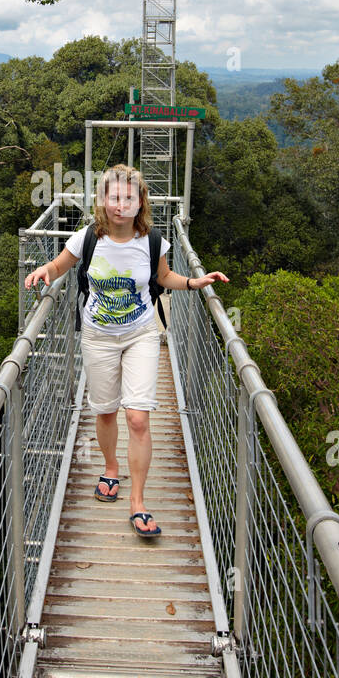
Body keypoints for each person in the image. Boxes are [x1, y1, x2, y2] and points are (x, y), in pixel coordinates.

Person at [24, 164, 229, 538]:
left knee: (137, 418)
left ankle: (138, 501)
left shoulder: (153, 241)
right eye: (114, 197)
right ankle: (110, 467)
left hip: (141, 335)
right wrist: (44, 272)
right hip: (98, 337)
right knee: (105, 413)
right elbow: (59, 265)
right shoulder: (87, 238)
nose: (121, 205)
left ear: (140, 203)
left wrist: (196, 281)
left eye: (128, 198)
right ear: (103, 200)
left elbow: (164, 278)